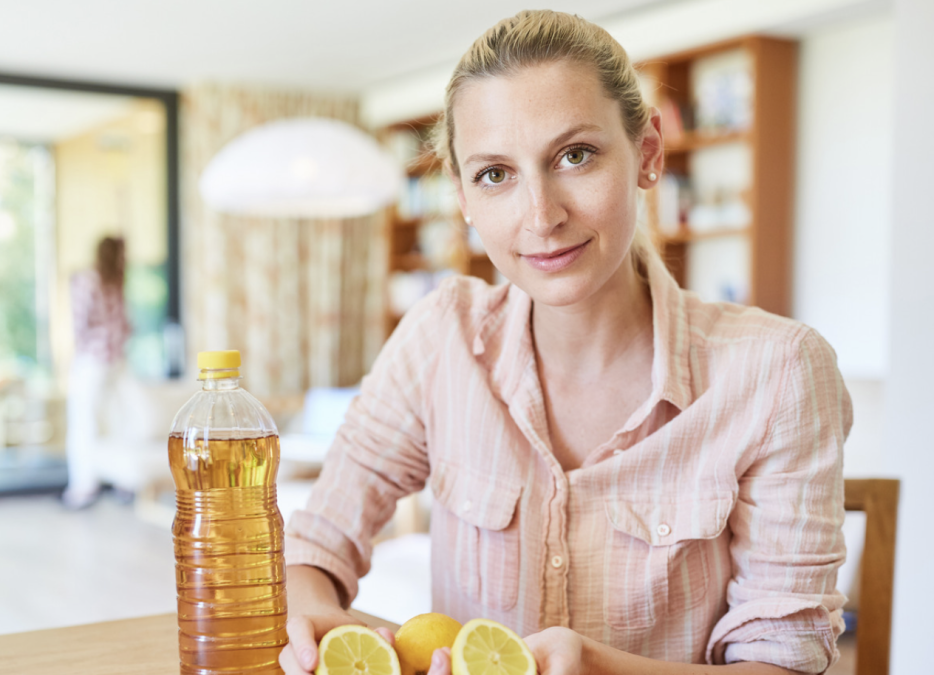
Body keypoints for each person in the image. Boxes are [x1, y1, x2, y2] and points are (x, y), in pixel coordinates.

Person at [281, 10, 848, 675]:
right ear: (461, 194)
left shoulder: (777, 371)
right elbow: (316, 545)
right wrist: (313, 607)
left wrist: (598, 667)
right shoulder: (440, 339)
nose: (542, 216)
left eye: (574, 155)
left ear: (647, 153)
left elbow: (785, 665)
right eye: (496, 174)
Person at [62, 236, 133, 509]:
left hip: (93, 360)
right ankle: (122, 482)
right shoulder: (113, 281)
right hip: (116, 359)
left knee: (84, 422)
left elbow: (80, 323)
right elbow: (125, 324)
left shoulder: (89, 280)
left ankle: (83, 487)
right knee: (117, 421)